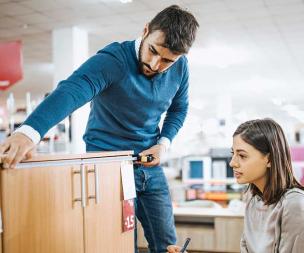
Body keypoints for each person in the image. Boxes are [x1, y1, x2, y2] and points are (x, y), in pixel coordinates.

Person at [0, 5, 199, 253]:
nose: (155, 64)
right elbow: (72, 90)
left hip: (149, 166)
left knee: (169, 245)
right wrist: (28, 132)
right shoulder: (113, 60)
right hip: (108, 165)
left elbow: (179, 109)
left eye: (168, 60)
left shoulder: (181, 68)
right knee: (120, 244)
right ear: (145, 31)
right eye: (153, 51)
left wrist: (164, 143)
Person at [230, 119, 304, 253]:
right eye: (233, 153)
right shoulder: (252, 200)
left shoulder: (294, 204)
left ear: (269, 159)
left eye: (242, 156)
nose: (232, 163)